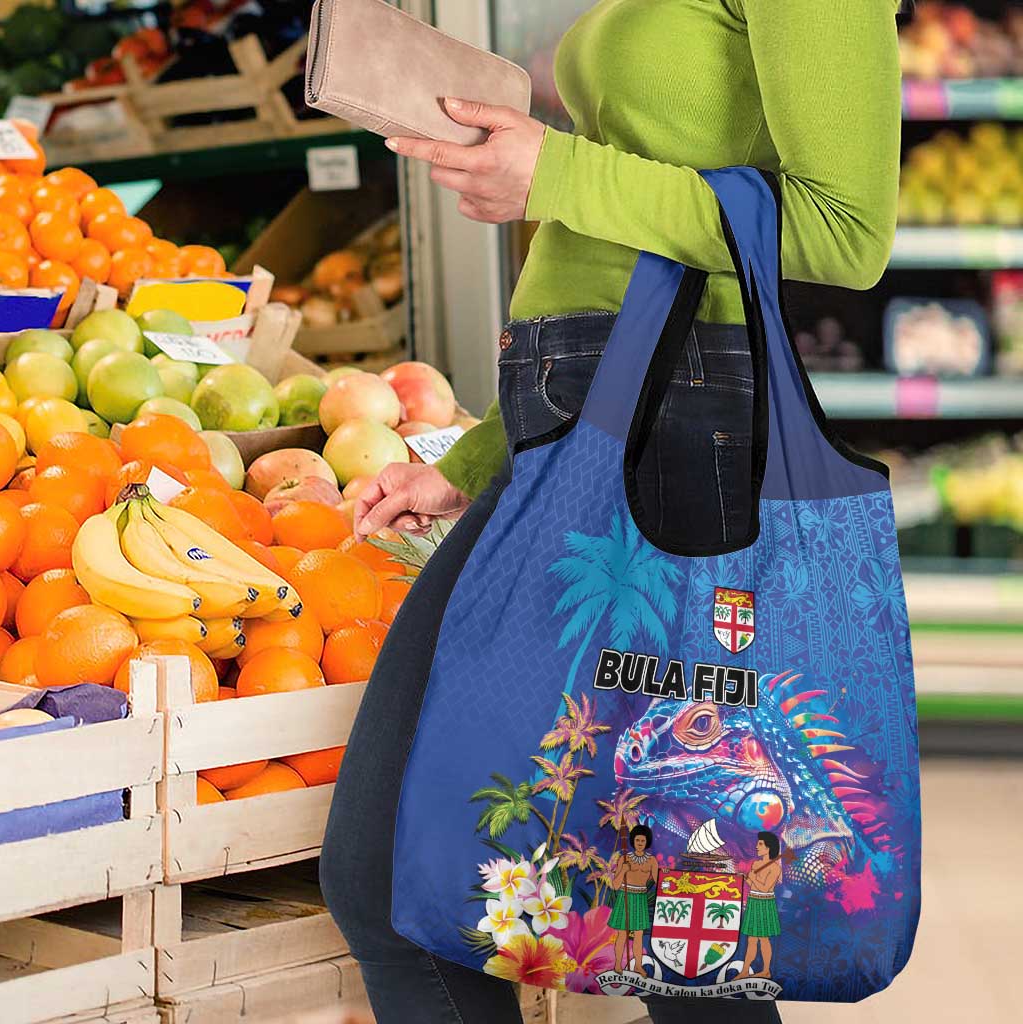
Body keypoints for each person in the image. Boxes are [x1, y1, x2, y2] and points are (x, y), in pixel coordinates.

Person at [320, 2, 905, 1022]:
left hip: (676, 444)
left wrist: (555, 172)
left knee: (673, 933)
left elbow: (846, 231)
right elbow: (618, 245)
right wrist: (481, 456)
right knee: (631, 925)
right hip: (587, 434)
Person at [609, 825, 659, 976]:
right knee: (622, 935)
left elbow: (658, 882)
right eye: (637, 840)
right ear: (633, 841)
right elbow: (615, 885)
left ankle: (638, 965)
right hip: (624, 897)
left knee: (638, 935)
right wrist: (623, 870)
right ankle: (617, 964)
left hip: (640, 899)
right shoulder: (624, 859)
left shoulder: (652, 861)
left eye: (643, 840)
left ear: (647, 842)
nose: (640, 843)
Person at [735, 832, 784, 981]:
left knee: (763, 939)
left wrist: (752, 878)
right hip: (753, 901)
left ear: (769, 847)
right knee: (751, 940)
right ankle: (745, 971)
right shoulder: (756, 864)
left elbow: (765, 888)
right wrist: (744, 877)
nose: (757, 847)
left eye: (760, 844)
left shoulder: (775, 868)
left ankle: (766, 971)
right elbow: (752, 885)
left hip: (765, 903)